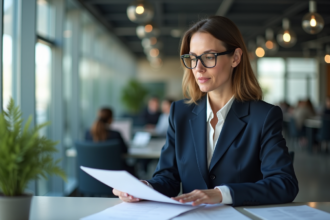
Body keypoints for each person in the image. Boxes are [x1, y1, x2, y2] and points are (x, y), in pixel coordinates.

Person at [113, 16, 298, 207]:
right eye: (192, 58)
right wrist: (143, 188)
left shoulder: (263, 116)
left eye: (209, 57)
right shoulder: (180, 113)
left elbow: (284, 184)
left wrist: (222, 194)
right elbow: (168, 177)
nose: (198, 68)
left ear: (235, 58)